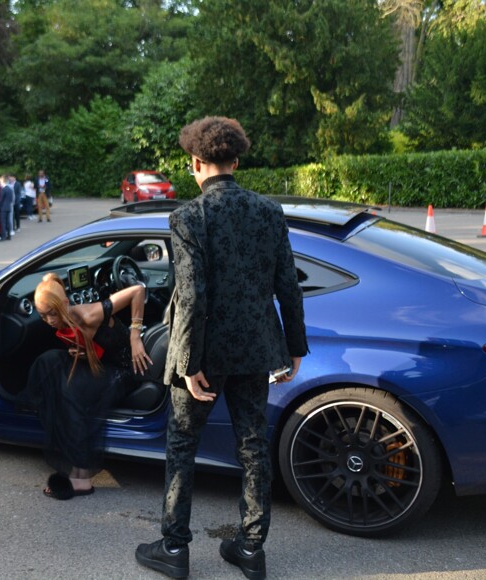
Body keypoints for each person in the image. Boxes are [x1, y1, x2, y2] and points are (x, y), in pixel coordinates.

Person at [135, 117, 308, 580]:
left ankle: (174, 548)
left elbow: (192, 295)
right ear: (235, 161)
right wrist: (295, 346)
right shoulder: (269, 211)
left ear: (196, 163)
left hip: (205, 354)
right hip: (255, 349)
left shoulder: (188, 217)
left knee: (182, 445)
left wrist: (189, 362)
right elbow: (288, 285)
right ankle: (250, 548)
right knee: (253, 445)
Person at [27, 272, 150, 500]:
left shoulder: (90, 313)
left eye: (52, 313)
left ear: (65, 303)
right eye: (43, 316)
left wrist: (135, 336)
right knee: (48, 361)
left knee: (73, 395)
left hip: (124, 369)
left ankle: (81, 477)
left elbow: (138, 291)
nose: (49, 321)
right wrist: (82, 352)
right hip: (102, 363)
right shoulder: (66, 320)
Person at [0, 175, 15, 241]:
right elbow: (11, 199)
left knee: (3, 222)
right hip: (8, 207)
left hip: (3, 208)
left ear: (3, 181)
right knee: (8, 222)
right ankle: (9, 235)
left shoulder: (4, 189)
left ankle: (3, 236)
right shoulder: (10, 189)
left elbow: (1, 199)